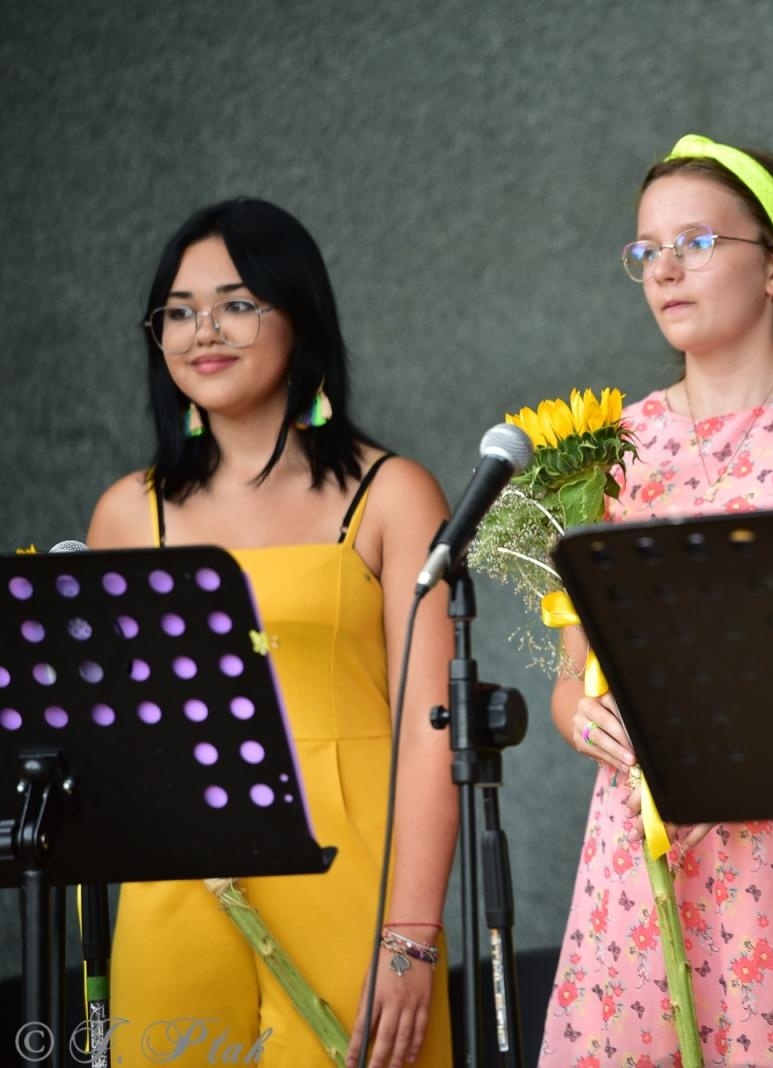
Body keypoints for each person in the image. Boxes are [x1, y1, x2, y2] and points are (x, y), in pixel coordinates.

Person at [537, 135, 773, 1066]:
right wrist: (592, 720)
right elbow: (571, 685)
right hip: (647, 844)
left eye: (695, 243)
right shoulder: (612, 448)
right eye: (647, 251)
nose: (665, 269)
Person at [87, 197, 456, 1068]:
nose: (201, 330)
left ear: (302, 317)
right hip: (179, 886)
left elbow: (429, 733)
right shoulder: (127, 513)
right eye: (178, 311)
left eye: (237, 303)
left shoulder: (393, 493)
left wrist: (411, 935)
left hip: (353, 874)